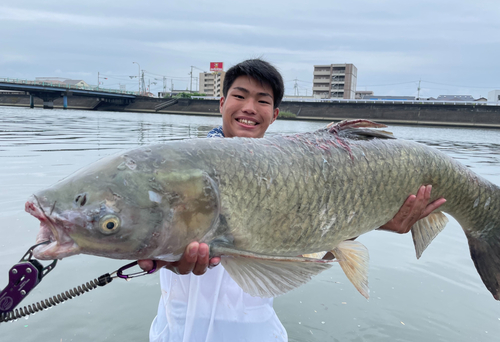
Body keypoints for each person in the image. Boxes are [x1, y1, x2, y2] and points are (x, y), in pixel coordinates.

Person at [139, 59, 446, 342]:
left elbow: (310, 256)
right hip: (176, 332)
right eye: (239, 96)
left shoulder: (292, 176)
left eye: (262, 101)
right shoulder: (181, 171)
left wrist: (372, 221)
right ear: (222, 103)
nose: (249, 107)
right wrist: (160, 258)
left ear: (274, 115)